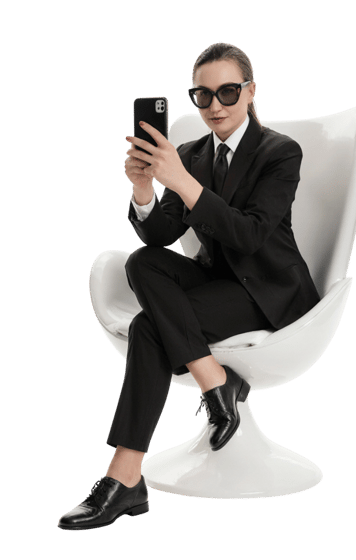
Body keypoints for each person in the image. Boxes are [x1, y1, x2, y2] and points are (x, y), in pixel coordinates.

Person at [57, 40, 320, 532]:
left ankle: (123, 478)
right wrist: (143, 188)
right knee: (144, 263)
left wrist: (181, 180)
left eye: (227, 92)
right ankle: (215, 382)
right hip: (217, 282)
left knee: (148, 328)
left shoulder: (280, 152)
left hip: (268, 292)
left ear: (250, 91)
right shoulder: (192, 154)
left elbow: (249, 234)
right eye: (203, 95)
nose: (215, 105)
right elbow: (160, 236)